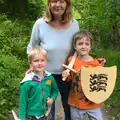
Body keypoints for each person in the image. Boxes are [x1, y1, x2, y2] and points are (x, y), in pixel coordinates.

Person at [27, 0, 79, 120]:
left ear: (67, 4)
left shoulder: (74, 24)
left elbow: (78, 48)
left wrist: (93, 62)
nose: (58, 5)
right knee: (47, 109)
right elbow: (32, 47)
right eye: (54, 1)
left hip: (67, 74)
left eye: (61, 1)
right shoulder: (40, 24)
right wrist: (32, 66)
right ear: (49, 4)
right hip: (45, 74)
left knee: (69, 108)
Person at [62, 30, 103, 120]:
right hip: (76, 102)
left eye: (87, 44)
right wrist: (65, 75)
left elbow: (100, 83)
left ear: (91, 46)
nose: (83, 46)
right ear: (75, 46)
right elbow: (69, 79)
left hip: (93, 103)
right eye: (80, 44)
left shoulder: (96, 63)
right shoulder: (71, 60)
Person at [19, 48, 58, 120]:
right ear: (30, 63)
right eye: (36, 61)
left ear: (46, 62)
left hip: (46, 114)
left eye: (42, 60)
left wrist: (52, 99)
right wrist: (21, 118)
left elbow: (55, 91)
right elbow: (22, 102)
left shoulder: (50, 78)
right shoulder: (27, 82)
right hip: (31, 116)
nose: (39, 63)